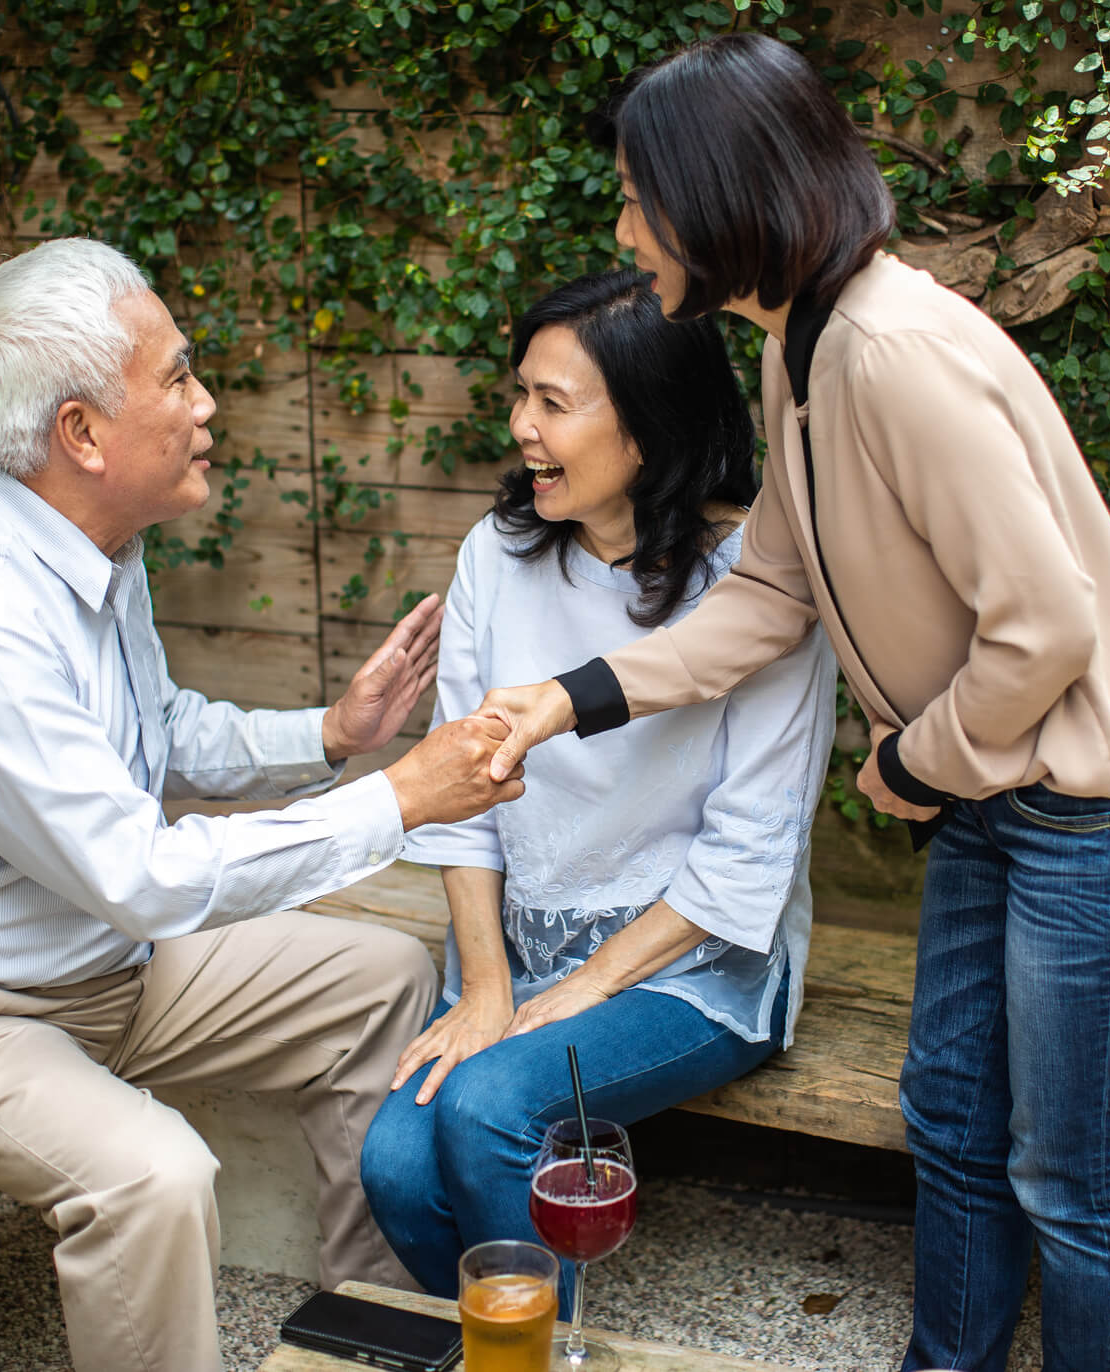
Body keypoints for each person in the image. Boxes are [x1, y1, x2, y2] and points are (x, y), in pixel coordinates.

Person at [474, 35, 1110, 1372]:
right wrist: (568, 697)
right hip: (1007, 794)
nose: (622, 229)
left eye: (636, 197)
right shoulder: (807, 345)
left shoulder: (894, 354)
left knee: (1073, 1182)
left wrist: (919, 765)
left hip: (1106, 816)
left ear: (718, 198)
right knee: (949, 1119)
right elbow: (772, 588)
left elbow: (1046, 625)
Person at [0, 237, 524, 1372]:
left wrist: (332, 738)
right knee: (155, 1178)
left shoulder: (98, 546)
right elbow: (141, 870)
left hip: (105, 967)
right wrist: (398, 796)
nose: (206, 406)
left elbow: (158, 734)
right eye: (179, 377)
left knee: (381, 982)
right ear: (82, 434)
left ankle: (363, 1334)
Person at [357, 270, 837, 1304]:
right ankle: (516, 1342)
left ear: (650, 431)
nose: (522, 427)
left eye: (554, 403)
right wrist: (491, 985)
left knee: (487, 1110)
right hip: (516, 949)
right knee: (393, 1165)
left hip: (693, 967)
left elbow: (747, 850)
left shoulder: (760, 582)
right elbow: (460, 792)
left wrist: (581, 988)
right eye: (521, 393)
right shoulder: (497, 554)